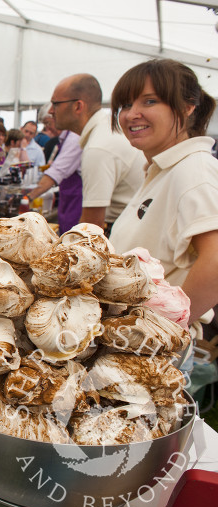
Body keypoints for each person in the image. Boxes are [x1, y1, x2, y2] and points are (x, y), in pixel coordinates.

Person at [109, 59, 218, 324]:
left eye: (149, 101)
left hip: (154, 352)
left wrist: (166, 329)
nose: (132, 114)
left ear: (187, 106)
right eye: (125, 105)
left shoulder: (195, 170)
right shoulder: (163, 169)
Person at [50, 73, 144, 233]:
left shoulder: (98, 147)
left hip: (120, 229)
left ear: (78, 106)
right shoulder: (103, 132)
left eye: (55, 104)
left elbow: (91, 225)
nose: (51, 111)